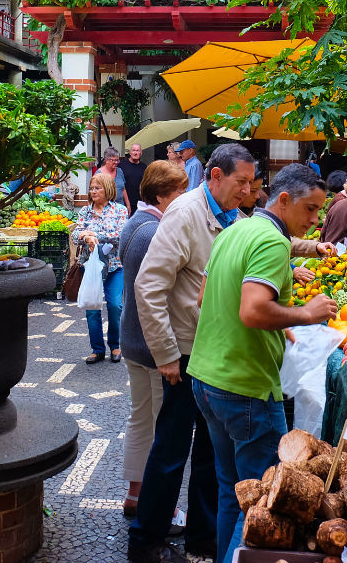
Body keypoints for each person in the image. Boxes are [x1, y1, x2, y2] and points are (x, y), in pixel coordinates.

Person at [189, 164, 338, 563]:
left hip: (206, 379)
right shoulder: (272, 241)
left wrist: (281, 327)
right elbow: (253, 311)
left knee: (232, 490)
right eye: (309, 209)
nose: (313, 220)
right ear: (284, 200)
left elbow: (207, 298)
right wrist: (306, 314)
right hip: (246, 388)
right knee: (261, 499)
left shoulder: (234, 231)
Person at [128, 144, 255, 563]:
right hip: (182, 353)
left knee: (209, 451)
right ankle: (146, 540)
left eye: (251, 184)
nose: (247, 191)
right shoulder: (185, 214)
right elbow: (149, 287)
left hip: (211, 350)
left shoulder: (229, 215)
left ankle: (203, 535)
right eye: (241, 183)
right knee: (171, 447)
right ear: (214, 176)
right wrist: (164, 354)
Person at [118, 161, 191, 520]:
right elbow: (157, 294)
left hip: (132, 338)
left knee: (140, 420)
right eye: (179, 190)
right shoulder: (155, 232)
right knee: (162, 429)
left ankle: (135, 495)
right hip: (153, 346)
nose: (185, 196)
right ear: (161, 195)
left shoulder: (134, 224)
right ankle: (160, 508)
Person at [75, 172, 130, 364]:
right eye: (91, 188)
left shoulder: (120, 210)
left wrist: (93, 234)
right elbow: (75, 235)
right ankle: (97, 349)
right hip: (90, 267)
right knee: (92, 307)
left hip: (115, 266)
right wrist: (85, 237)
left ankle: (115, 345)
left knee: (115, 305)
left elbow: (120, 235)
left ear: (107, 189)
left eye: (97, 188)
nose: (93, 191)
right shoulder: (84, 212)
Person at [120, 142, 147, 212]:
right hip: (124, 203)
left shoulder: (144, 167)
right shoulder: (121, 166)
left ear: (141, 153)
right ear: (130, 152)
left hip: (140, 204)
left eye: (137, 150)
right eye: (133, 150)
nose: (135, 153)